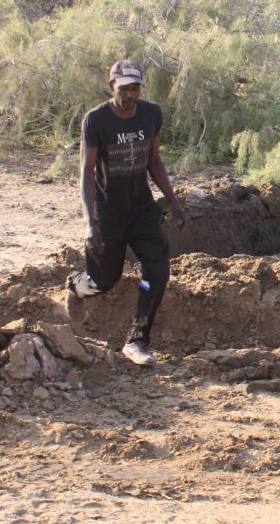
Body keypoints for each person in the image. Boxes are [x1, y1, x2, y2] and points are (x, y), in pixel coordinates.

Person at [65, 59, 188, 367]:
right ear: (112, 88)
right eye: (125, 89)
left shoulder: (151, 114)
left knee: (157, 271)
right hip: (108, 211)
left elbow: (154, 161)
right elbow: (86, 173)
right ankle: (76, 286)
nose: (131, 94)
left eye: (135, 88)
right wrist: (91, 222)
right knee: (105, 280)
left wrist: (173, 201)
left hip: (142, 208)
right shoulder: (96, 120)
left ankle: (137, 340)